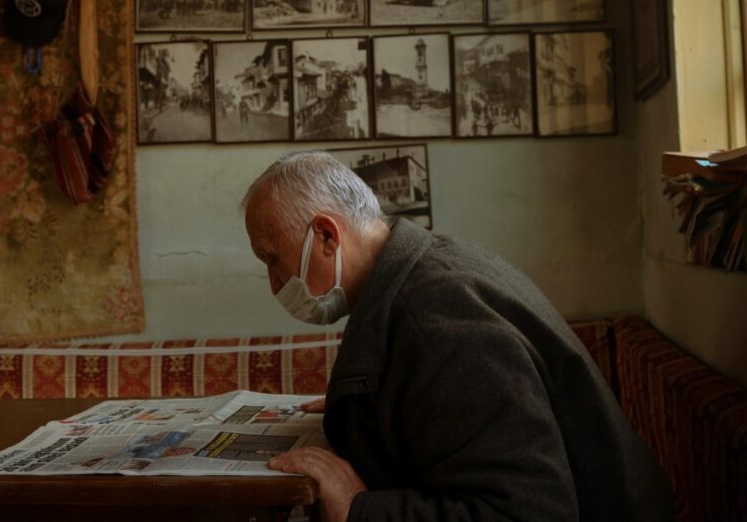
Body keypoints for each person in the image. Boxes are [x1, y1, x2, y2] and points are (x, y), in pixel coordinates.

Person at [242, 151, 674, 522]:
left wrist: (359, 508)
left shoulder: (433, 314)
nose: (274, 283)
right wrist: (370, 409)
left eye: (272, 258)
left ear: (326, 235)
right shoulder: (426, 268)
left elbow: (524, 512)